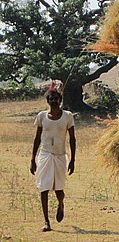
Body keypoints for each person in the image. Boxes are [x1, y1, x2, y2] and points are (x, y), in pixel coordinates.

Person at [30, 87, 76, 232]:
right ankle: (46, 222)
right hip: (45, 154)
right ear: (48, 101)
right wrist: (33, 159)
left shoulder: (68, 116)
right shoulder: (42, 116)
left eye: (56, 98)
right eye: (51, 99)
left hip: (60, 155)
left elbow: (72, 139)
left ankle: (60, 203)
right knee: (43, 188)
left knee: (59, 189)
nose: (53, 101)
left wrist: (73, 159)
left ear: (60, 100)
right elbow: (37, 138)